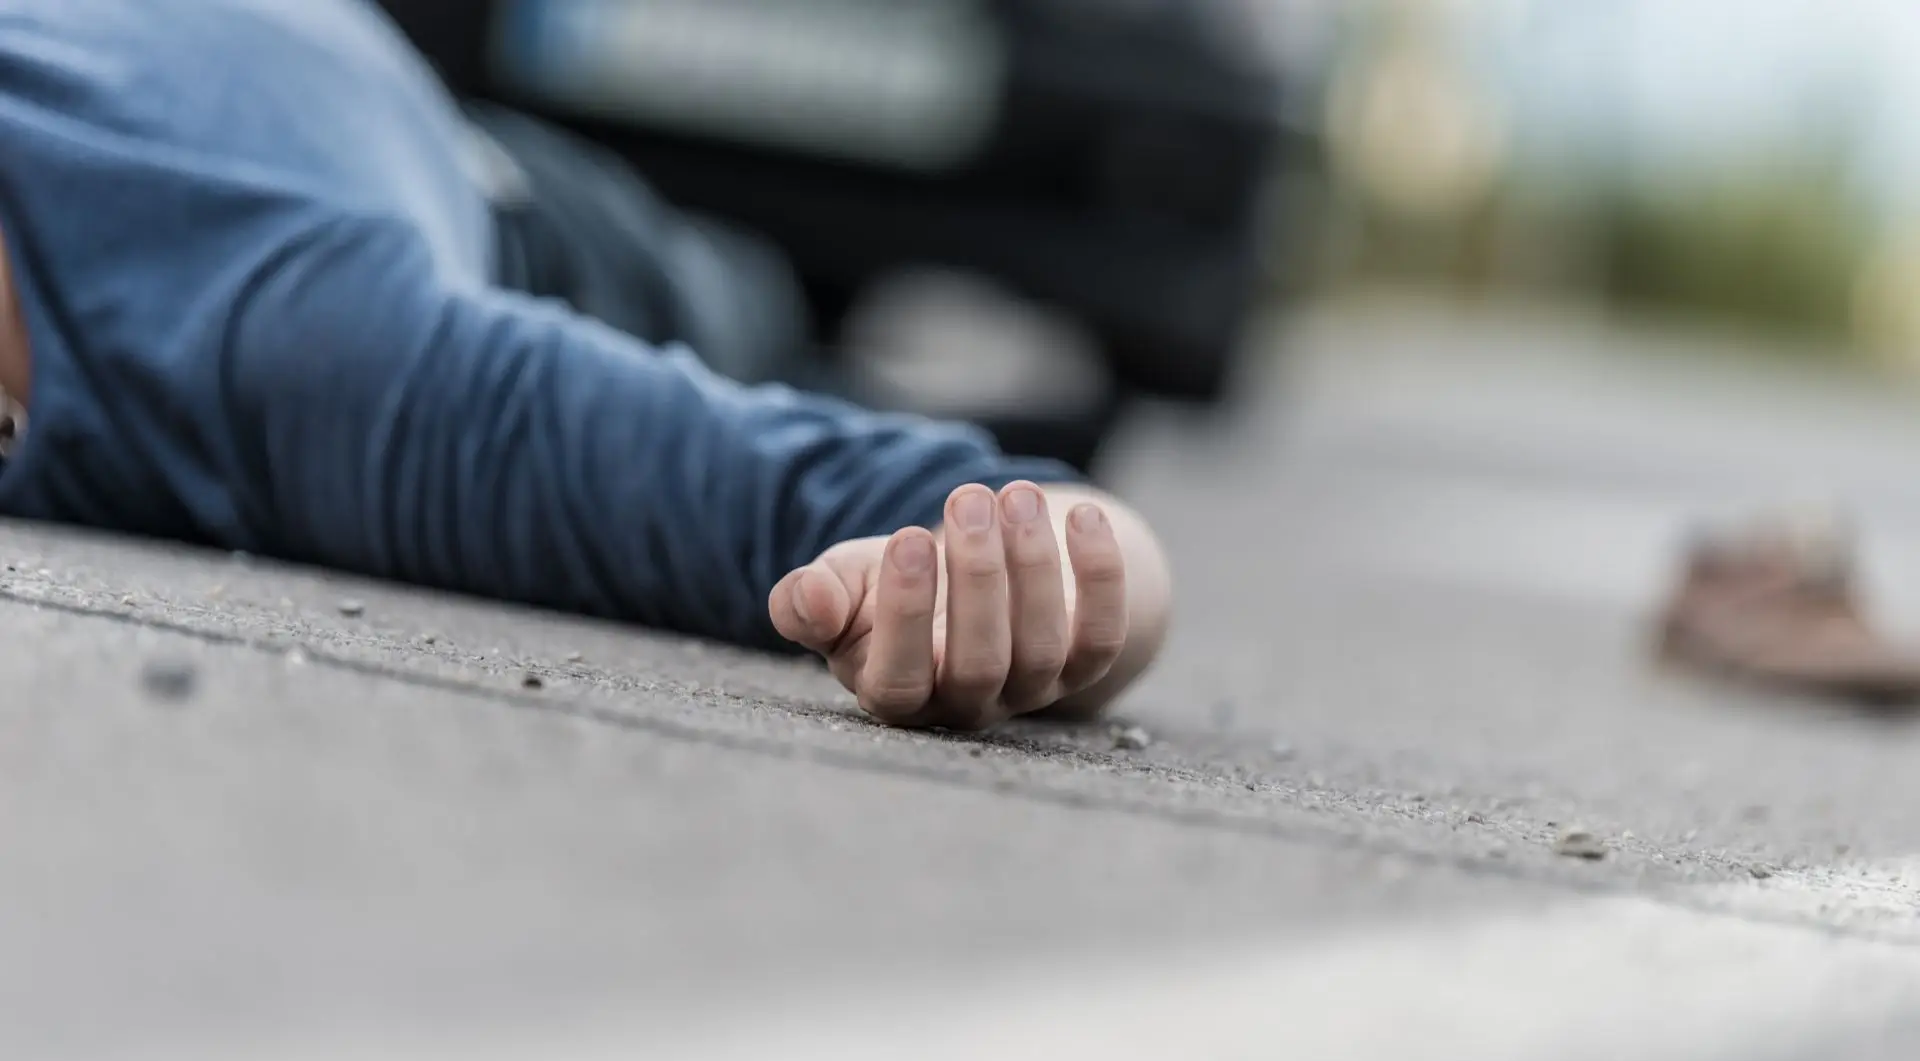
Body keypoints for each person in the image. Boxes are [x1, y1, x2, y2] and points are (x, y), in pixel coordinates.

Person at [0, 0, 1172, 730]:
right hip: (318, 100)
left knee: (742, 315)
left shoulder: (318, 358)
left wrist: (1018, 588)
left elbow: (1077, 539)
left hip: (534, 217)